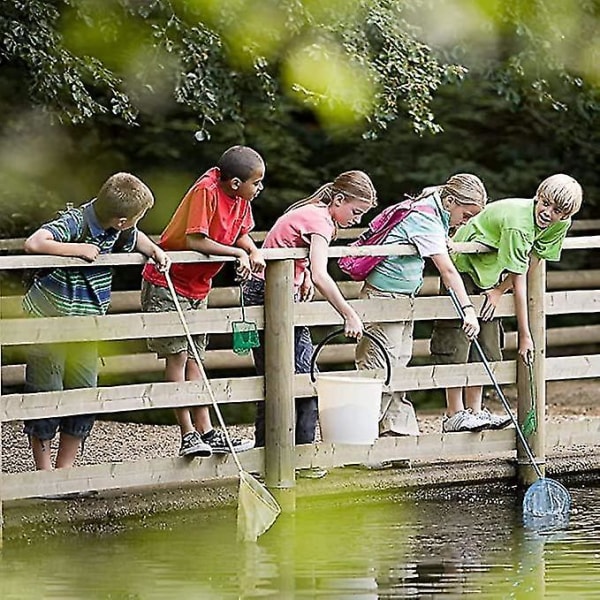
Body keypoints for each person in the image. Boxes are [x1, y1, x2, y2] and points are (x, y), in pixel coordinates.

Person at [22, 172, 169, 471]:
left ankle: (66, 471)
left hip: (87, 324)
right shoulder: (77, 221)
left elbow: (135, 237)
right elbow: (35, 242)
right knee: (46, 391)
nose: (137, 223)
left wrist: (154, 250)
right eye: (138, 217)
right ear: (121, 219)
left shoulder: (122, 230)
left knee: (85, 392)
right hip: (48, 319)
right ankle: (44, 473)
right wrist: (77, 250)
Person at [431, 173, 583, 432]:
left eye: (557, 210)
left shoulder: (559, 225)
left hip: (491, 272)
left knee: (488, 340)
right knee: (457, 338)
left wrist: (498, 290)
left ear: (566, 216)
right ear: (537, 196)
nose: (547, 212)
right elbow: (520, 276)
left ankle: (476, 411)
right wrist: (525, 334)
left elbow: (534, 260)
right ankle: (454, 413)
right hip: (463, 267)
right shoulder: (518, 222)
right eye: (544, 203)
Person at [141, 145, 265, 457]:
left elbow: (240, 234)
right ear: (235, 183)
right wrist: (238, 253)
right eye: (257, 182)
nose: (260, 187)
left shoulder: (240, 199)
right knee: (178, 358)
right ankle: (187, 434)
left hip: (199, 286)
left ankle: (207, 431)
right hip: (169, 283)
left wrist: (252, 250)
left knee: (196, 358)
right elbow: (197, 240)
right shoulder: (206, 191)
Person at [243, 170, 378, 447]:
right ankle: (302, 456)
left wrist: (301, 275)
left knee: (281, 378)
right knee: (302, 381)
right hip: (270, 294)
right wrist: (348, 313)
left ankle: (268, 449)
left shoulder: (314, 210)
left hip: (266, 291)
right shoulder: (322, 221)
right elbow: (320, 273)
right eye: (356, 211)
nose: (357, 220)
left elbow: (292, 245)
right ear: (339, 200)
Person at [354, 174, 487, 437]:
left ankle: (396, 434)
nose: (467, 221)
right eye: (466, 213)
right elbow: (447, 271)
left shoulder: (432, 206)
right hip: (384, 298)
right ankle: (362, 439)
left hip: (402, 299)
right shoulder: (425, 218)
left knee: (399, 365)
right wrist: (468, 310)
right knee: (379, 369)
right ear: (450, 201)